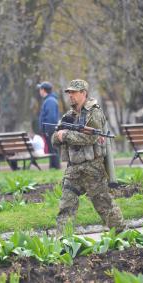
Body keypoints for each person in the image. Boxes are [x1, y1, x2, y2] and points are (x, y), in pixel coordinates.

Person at [52, 79, 125, 235]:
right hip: (73, 169)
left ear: (83, 93)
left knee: (104, 205)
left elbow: (90, 138)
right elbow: (55, 138)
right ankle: (63, 240)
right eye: (69, 92)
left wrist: (65, 135)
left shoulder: (95, 113)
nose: (70, 95)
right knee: (66, 206)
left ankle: (121, 235)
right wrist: (60, 135)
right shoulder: (68, 116)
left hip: (92, 168)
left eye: (74, 92)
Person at [38, 81, 61, 169]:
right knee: (52, 149)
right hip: (49, 129)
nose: (39, 91)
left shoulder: (50, 101)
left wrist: (47, 130)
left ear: (43, 90)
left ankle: (55, 167)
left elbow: (51, 118)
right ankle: (53, 167)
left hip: (50, 130)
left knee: (53, 149)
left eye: (40, 89)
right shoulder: (49, 100)